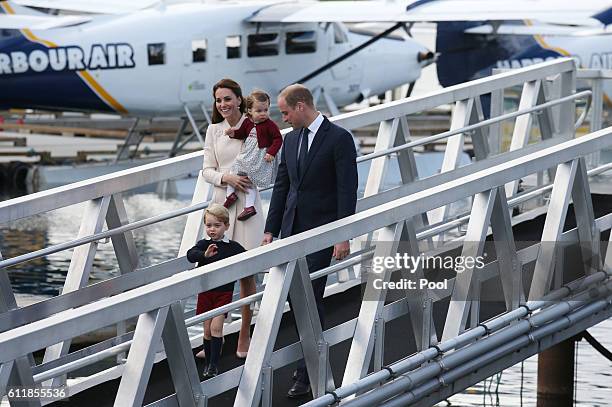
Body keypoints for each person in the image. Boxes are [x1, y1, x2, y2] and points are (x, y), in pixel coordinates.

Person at [262, 84, 358, 398]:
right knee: (294, 297)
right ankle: (311, 359)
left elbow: (347, 190)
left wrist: (342, 236)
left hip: (322, 232)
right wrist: (270, 230)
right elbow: (282, 187)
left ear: (301, 106)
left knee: (311, 297)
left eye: (286, 112)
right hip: (291, 231)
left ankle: (305, 373)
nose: (283, 118)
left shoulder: (339, 139)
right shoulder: (290, 141)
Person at [202, 78, 265, 358]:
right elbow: (206, 170)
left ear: (240, 100)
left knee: (247, 272)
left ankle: (244, 333)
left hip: (248, 204)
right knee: (217, 267)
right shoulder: (213, 130)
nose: (223, 104)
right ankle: (214, 335)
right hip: (221, 206)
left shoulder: (254, 127)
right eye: (218, 100)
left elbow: (262, 160)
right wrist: (224, 177)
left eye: (228, 98)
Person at [187, 204, 246, 378]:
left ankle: (213, 365)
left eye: (217, 225)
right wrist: (204, 255)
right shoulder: (203, 244)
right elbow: (190, 255)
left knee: (216, 328)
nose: (212, 229)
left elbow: (247, 256)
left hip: (223, 294)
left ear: (226, 226)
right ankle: (207, 363)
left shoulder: (232, 247)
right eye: (209, 225)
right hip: (205, 293)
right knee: (206, 331)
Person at [223, 90, 283, 221]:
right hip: (248, 154)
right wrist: (232, 133)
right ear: (249, 110)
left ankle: (249, 206)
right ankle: (230, 195)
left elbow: (278, 139)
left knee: (250, 181)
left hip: (260, 157)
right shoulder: (247, 122)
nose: (263, 114)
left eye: (266, 110)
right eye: (259, 111)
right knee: (233, 172)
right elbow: (241, 133)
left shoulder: (270, 125)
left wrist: (271, 152)